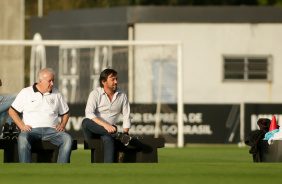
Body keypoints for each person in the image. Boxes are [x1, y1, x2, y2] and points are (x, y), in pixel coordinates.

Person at [8, 68, 73, 163]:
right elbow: (12, 111)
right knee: (22, 138)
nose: (52, 83)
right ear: (40, 81)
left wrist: (62, 125)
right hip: (31, 130)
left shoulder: (57, 93)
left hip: (52, 131)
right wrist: (21, 126)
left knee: (68, 139)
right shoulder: (26, 92)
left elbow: (66, 112)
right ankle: (25, 171)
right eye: (49, 81)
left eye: (53, 80)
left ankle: (61, 171)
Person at [82, 68, 131, 163]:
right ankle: (117, 135)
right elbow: (89, 113)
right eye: (112, 79)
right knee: (85, 122)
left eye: (116, 79)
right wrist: (106, 126)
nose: (116, 81)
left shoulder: (122, 95)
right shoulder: (95, 94)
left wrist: (125, 133)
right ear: (103, 82)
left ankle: (109, 169)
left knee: (109, 139)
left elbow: (126, 115)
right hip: (94, 131)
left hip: (109, 132)